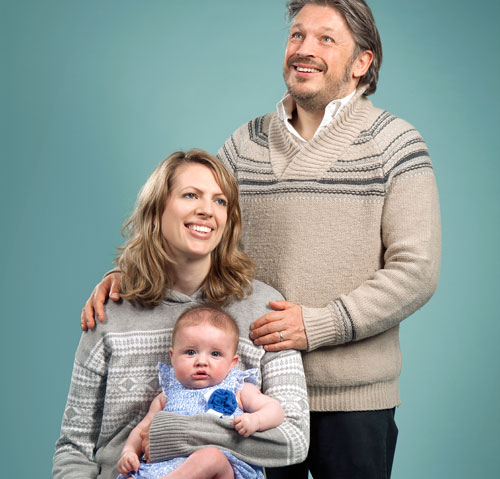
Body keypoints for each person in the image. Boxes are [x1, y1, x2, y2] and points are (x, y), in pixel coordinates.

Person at [82, 1, 442, 478]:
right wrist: (130, 275)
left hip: (352, 400)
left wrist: (319, 325)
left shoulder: (396, 144)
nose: (304, 49)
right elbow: (197, 225)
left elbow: (416, 271)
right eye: (297, 35)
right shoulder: (244, 143)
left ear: (362, 62)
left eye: (325, 39)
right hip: (244, 396)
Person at [53, 149, 309, 479]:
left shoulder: (263, 307)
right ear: (157, 211)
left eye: (220, 201)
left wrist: (171, 432)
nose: (207, 210)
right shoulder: (109, 311)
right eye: (191, 195)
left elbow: (292, 440)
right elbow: (73, 447)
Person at [117, 305, 284, 479]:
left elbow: (275, 410)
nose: (202, 361)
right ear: (173, 357)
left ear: (232, 363)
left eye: (215, 354)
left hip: (221, 469)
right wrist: (129, 453)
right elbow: (142, 429)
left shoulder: (238, 388)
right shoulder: (167, 394)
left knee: (211, 457)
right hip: (165, 469)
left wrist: (256, 420)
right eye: (191, 352)